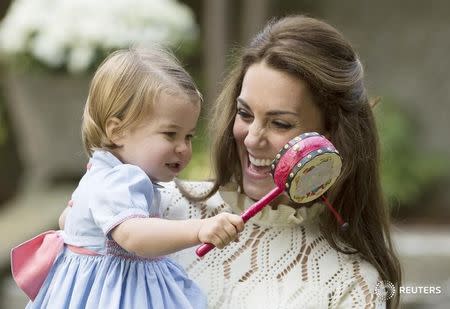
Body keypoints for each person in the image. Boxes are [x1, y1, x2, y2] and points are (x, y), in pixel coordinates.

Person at [160, 15, 402, 308]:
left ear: (331, 135)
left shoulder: (353, 282)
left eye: (280, 123)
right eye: (245, 114)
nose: (251, 139)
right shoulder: (158, 207)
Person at [12, 47, 244, 309]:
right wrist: (199, 228)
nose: (183, 148)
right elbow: (134, 236)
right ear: (117, 131)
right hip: (112, 294)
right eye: (170, 134)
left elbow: (67, 220)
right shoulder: (122, 179)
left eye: (188, 136)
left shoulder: (99, 171)